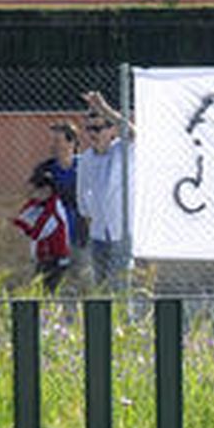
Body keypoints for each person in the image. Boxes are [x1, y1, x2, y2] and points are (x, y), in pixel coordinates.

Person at [76, 89, 135, 286]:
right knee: (100, 289)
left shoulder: (122, 151)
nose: (92, 134)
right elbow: (82, 193)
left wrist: (104, 108)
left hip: (122, 232)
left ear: (112, 131)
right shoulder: (86, 158)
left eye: (98, 128)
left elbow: (133, 133)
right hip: (98, 233)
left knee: (121, 287)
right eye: (89, 129)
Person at [13, 161, 73, 289]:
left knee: (49, 293)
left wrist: (24, 227)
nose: (31, 193)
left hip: (56, 260)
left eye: (35, 189)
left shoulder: (54, 209)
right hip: (43, 258)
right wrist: (20, 223)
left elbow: (37, 233)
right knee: (39, 290)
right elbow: (20, 217)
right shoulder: (37, 203)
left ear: (46, 190)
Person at [40, 121, 85, 252]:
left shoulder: (85, 166)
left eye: (57, 140)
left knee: (81, 269)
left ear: (71, 143)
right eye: (52, 140)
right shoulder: (45, 169)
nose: (52, 145)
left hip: (81, 232)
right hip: (53, 234)